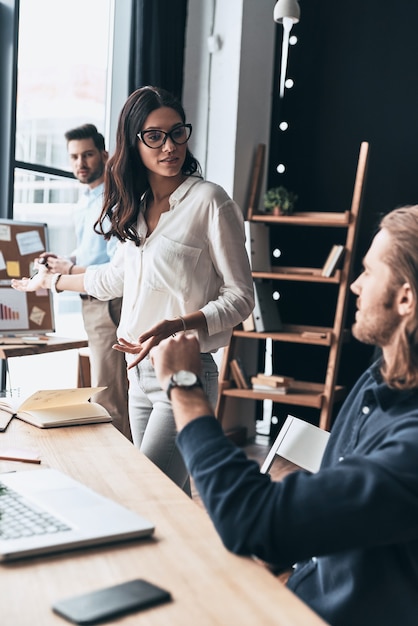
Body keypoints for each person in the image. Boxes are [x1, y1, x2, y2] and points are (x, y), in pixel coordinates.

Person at [149, 204, 418, 626]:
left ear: (406, 298)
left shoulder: (411, 447)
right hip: (300, 587)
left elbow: (253, 519)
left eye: (368, 272)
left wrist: (183, 387)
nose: (356, 286)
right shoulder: (380, 377)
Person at [12, 86, 254, 494]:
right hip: (138, 374)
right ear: (133, 142)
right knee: (168, 504)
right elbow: (113, 279)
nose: (169, 146)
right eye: (154, 136)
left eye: (177, 133)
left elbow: (241, 297)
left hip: (184, 370)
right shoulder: (137, 208)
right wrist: (49, 281)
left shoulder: (210, 202)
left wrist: (175, 324)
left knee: (149, 497)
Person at [39, 124, 131, 441]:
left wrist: (66, 274)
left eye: (88, 154)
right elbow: (92, 250)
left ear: (104, 155)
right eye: (74, 157)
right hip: (90, 299)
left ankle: (121, 477)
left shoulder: (115, 200)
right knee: (107, 391)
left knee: (110, 396)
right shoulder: (86, 201)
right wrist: (69, 261)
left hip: (108, 301)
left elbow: (115, 263)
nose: (81, 163)